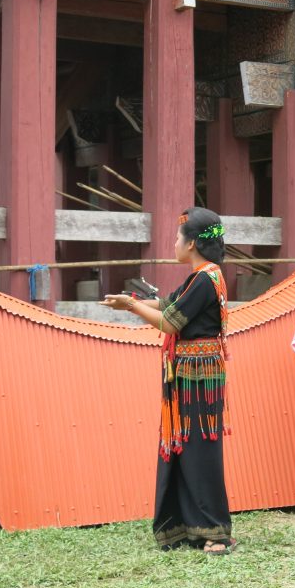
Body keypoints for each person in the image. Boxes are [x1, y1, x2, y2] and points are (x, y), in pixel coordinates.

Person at [101, 207, 233, 554]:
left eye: (177, 238)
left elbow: (171, 322)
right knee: (186, 447)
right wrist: (132, 301)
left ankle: (216, 532)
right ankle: (189, 525)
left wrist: (131, 307)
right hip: (189, 373)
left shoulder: (206, 278)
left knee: (200, 449)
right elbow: (168, 304)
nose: (173, 243)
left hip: (198, 375)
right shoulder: (201, 277)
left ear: (191, 243)